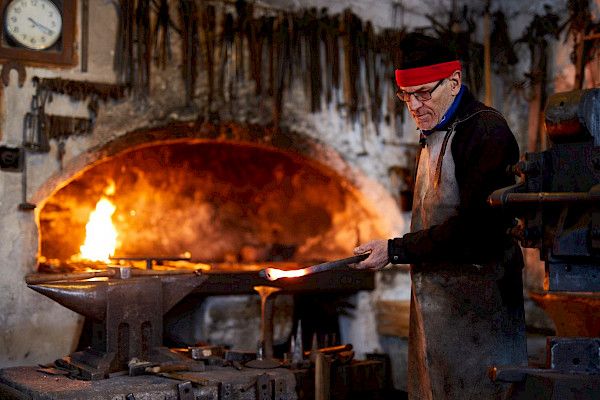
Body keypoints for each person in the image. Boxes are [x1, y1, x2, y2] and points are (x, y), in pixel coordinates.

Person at [353, 33, 527, 400]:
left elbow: (476, 229)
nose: (414, 106)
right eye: (406, 96)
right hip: (439, 310)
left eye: (423, 93)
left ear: (454, 82)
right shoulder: (433, 133)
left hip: (481, 315)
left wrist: (395, 250)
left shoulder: (485, 131)